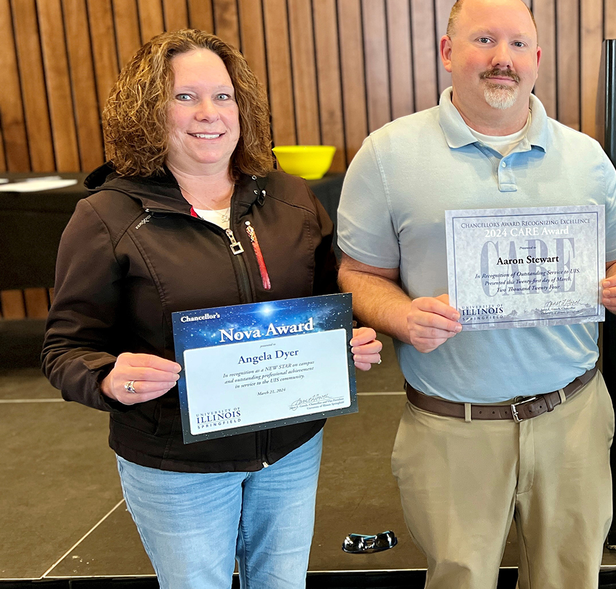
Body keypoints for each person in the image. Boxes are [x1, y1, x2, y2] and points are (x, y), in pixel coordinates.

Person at [41, 29, 383, 589]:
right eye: (184, 96)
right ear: (148, 110)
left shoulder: (294, 199)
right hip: (178, 466)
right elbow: (64, 349)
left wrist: (353, 339)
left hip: (291, 451)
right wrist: (106, 379)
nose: (209, 113)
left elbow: (333, 307)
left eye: (223, 96)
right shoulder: (105, 217)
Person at [337, 0, 616, 588]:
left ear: (537, 56)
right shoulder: (386, 156)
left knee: (570, 577)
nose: (501, 57)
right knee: (460, 579)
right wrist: (404, 317)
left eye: (517, 43)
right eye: (483, 40)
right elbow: (358, 275)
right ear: (447, 51)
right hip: (451, 427)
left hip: (572, 418)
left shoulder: (587, 158)